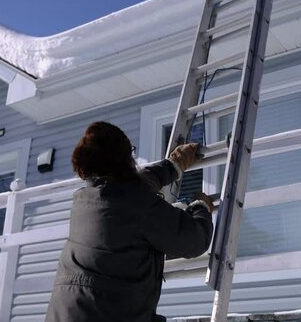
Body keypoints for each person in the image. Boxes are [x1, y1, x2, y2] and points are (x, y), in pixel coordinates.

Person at [45, 121, 214, 322]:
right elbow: (193, 240)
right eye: (130, 153)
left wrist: (172, 165)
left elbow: (130, 186)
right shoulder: (135, 204)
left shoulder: (85, 201)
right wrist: (201, 207)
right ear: (123, 160)